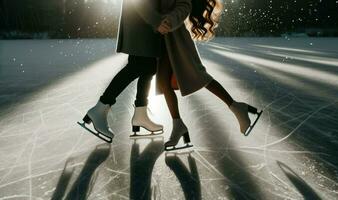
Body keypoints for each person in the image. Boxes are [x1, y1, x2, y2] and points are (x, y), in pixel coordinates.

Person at [156, 0, 263, 150]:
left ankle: (237, 107)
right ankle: (178, 124)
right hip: (163, 38)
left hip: (176, 38)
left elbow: (184, 5)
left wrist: (167, 22)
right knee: (163, 82)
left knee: (198, 75)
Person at [78, 0, 166, 143]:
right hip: (142, 22)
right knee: (137, 66)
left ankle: (141, 113)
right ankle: (100, 109)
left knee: (149, 67)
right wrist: (157, 21)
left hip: (146, 23)